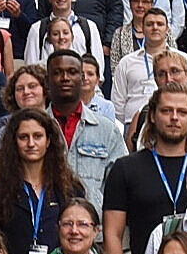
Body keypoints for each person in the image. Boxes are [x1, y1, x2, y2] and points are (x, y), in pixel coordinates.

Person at [102, 85, 187, 254]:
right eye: (166, 111)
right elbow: (112, 234)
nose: (174, 117)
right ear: (153, 116)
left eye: (182, 112)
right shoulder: (126, 168)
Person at [0, 107, 87, 254]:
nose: (31, 143)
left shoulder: (70, 189)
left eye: (37, 136)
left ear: (48, 141)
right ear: (14, 142)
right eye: (23, 137)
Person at [42, 48, 127, 203]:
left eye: (72, 72)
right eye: (57, 72)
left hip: (93, 224)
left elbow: (121, 186)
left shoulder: (107, 130)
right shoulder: (36, 129)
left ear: (82, 79)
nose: (65, 78)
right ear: (47, 81)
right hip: (46, 224)